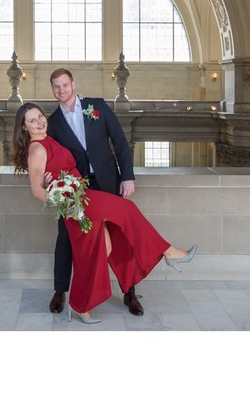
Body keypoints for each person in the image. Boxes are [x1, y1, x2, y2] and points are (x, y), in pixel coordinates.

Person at [12, 102, 196, 323]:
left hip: (83, 195)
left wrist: (52, 181)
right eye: (32, 120)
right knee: (126, 210)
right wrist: (65, 204)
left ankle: (81, 305)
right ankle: (169, 252)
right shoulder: (37, 148)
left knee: (101, 248)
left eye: (40, 116)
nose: (40, 121)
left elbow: (49, 173)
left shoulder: (47, 139)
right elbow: (36, 189)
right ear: (24, 127)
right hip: (77, 203)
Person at [46, 68, 144, 316]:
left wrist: (127, 176)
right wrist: (49, 177)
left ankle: (129, 292)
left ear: (73, 83)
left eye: (65, 85)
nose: (62, 90)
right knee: (66, 239)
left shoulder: (96, 106)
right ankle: (60, 291)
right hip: (76, 188)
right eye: (56, 87)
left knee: (118, 236)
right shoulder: (53, 123)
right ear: (52, 89)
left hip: (108, 182)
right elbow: (52, 156)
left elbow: (120, 142)